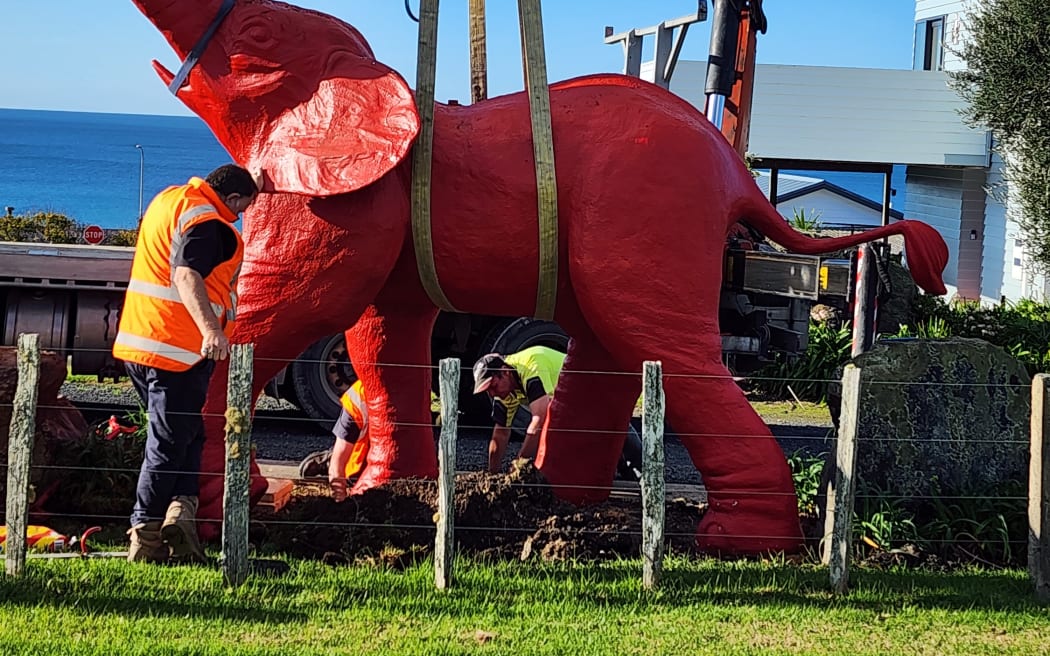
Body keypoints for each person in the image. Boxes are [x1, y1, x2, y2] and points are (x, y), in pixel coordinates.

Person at [113, 164, 258, 563]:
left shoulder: (170, 200)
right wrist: (212, 330)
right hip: (178, 351)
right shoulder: (210, 223)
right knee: (167, 443)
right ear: (231, 199)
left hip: (141, 343)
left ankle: (180, 515)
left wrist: (255, 180)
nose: (241, 214)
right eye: (244, 205)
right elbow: (186, 274)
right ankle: (145, 536)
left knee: (187, 435)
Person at [472, 345, 643, 478]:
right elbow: (500, 434)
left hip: (591, 389)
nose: (493, 394)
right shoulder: (505, 388)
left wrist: (518, 466)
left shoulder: (531, 365)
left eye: (493, 386)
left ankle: (646, 477)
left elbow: (539, 420)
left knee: (618, 433)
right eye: (488, 391)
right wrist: (492, 476)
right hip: (569, 404)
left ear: (505, 371)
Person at [298, 380, 371, 502]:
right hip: (358, 470)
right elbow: (341, 455)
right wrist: (339, 495)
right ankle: (329, 460)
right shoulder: (360, 396)